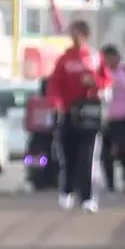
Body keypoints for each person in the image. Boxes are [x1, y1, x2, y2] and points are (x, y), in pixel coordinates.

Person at [47, 20, 111, 213]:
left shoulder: (94, 58)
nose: (73, 37)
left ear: (85, 35)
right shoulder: (64, 59)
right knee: (68, 155)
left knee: (87, 157)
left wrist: (94, 81)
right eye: (71, 34)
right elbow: (54, 84)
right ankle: (67, 191)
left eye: (76, 34)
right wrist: (56, 104)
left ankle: (88, 197)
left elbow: (106, 80)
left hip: (88, 113)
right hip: (67, 113)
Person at [101, 45, 125, 193]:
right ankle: (110, 183)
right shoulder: (101, 73)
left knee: (123, 151)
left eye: (111, 58)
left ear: (117, 57)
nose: (109, 61)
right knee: (106, 154)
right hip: (105, 119)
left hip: (124, 119)